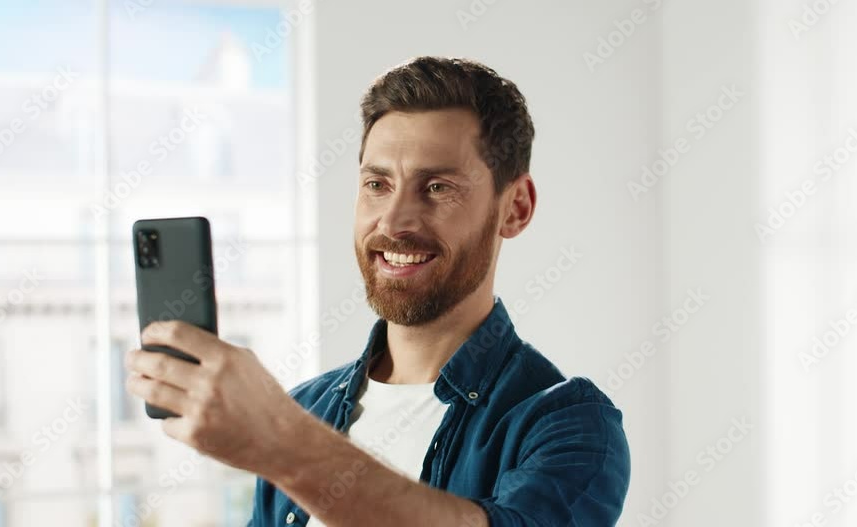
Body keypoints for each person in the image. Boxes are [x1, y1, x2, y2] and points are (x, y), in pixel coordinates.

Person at [125, 56, 631, 526]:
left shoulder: (569, 424)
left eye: (437, 187)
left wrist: (280, 442)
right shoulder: (305, 409)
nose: (394, 222)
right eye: (377, 185)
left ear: (515, 207)